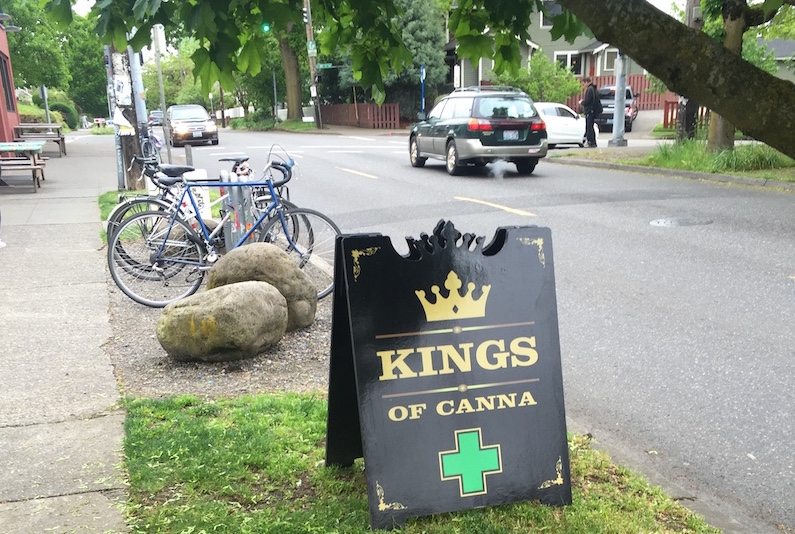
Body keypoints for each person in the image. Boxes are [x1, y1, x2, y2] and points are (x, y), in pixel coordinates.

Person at [581, 76, 599, 148]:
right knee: (590, 127)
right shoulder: (593, 88)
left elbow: (588, 101)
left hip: (590, 111)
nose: (583, 85)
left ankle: (590, 142)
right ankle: (593, 142)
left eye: (583, 83)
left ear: (586, 82)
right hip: (593, 111)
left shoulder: (589, 89)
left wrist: (582, 102)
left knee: (589, 127)